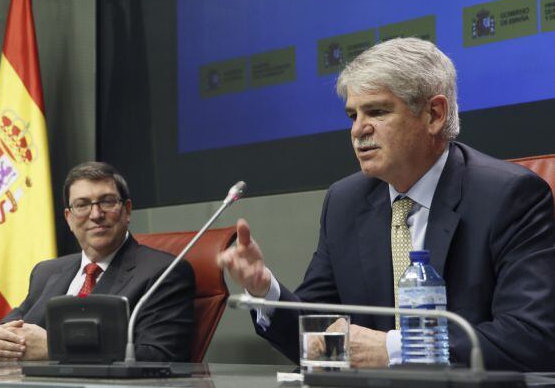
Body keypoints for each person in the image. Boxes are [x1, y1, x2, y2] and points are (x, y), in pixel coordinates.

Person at [218, 37, 555, 371]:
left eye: (377, 111)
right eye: (352, 115)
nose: (358, 130)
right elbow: (319, 340)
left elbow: (530, 337)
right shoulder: (345, 202)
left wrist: (395, 350)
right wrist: (265, 290)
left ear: (434, 115)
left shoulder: (508, 197)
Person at [0, 161, 196, 362]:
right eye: (82, 205)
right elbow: (0, 330)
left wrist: (54, 348)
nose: (95, 214)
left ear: (126, 211)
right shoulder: (47, 272)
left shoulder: (164, 273)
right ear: (69, 218)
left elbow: (159, 356)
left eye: (107, 202)